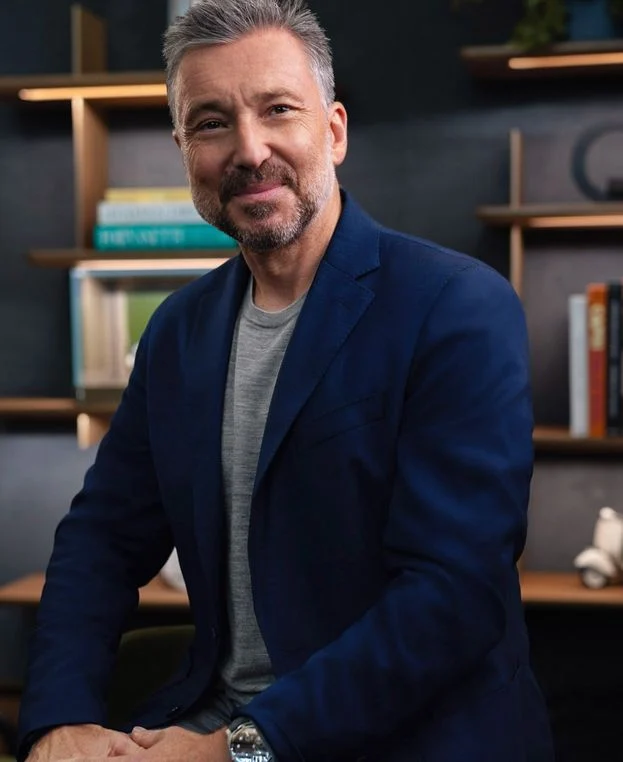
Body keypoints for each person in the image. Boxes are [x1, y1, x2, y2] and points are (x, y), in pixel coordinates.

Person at [18, 1, 554, 761]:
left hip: (399, 742)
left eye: (278, 109)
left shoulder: (455, 306)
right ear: (183, 150)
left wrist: (233, 749)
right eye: (211, 123)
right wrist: (60, 721)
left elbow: (450, 597)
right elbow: (100, 541)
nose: (249, 149)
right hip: (205, 724)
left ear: (333, 131)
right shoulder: (176, 332)